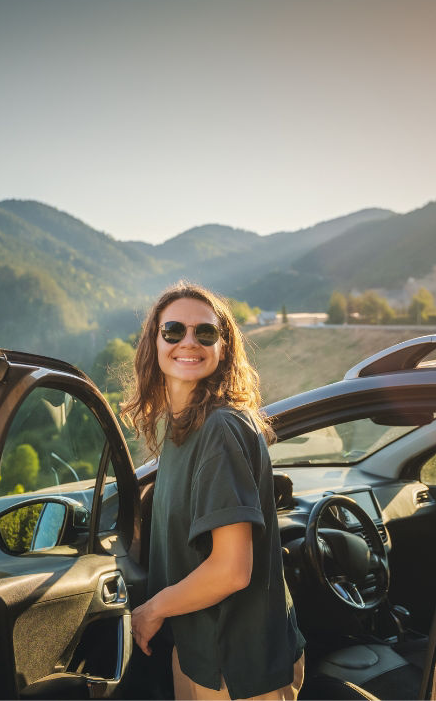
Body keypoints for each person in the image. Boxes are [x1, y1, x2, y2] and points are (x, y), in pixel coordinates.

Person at [123, 282, 305, 700]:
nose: (190, 342)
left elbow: (231, 570)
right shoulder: (179, 428)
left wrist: (151, 611)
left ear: (223, 347)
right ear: (155, 342)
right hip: (199, 653)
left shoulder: (220, 429)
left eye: (205, 333)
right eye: (174, 331)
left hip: (237, 670)